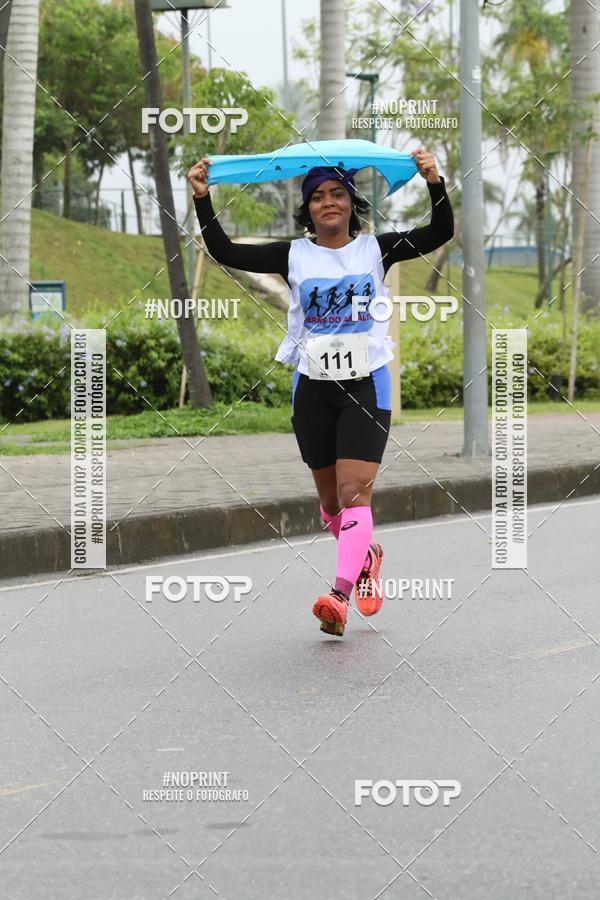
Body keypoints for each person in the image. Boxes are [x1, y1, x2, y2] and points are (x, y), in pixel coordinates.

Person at [188, 148, 453, 637]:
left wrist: (434, 181)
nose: (328, 203)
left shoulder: (378, 250)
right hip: (311, 388)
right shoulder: (294, 255)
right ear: (307, 209)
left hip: (366, 383)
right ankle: (367, 553)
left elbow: (439, 233)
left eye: (337, 194)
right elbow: (226, 252)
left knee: (356, 493)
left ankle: (338, 595)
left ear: (352, 204)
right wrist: (204, 199)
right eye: (317, 197)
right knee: (332, 506)